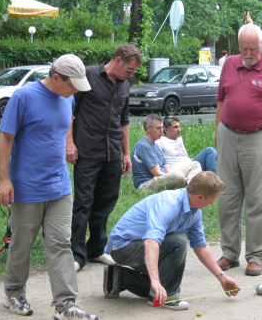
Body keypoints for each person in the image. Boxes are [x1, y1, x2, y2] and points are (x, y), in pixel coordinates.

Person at [0, 54, 99, 320]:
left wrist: (69, 142)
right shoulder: (24, 97)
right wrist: (4, 180)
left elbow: (65, 124)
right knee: (22, 244)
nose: (75, 91)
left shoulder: (68, 98)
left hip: (60, 187)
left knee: (61, 244)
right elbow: (6, 139)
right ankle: (14, 292)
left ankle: (67, 304)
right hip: (27, 187)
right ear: (55, 78)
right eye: (72, 85)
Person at [102, 171, 241, 311]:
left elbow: (201, 247)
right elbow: (151, 242)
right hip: (123, 247)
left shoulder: (195, 212)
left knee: (167, 279)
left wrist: (222, 277)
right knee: (178, 244)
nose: (212, 203)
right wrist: (156, 281)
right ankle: (168, 296)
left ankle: (118, 277)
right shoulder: (168, 204)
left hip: (139, 245)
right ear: (200, 196)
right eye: (212, 200)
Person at [215, 24, 262, 277]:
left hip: (259, 138)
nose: (248, 53)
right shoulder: (229, 64)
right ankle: (229, 252)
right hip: (228, 136)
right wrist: (218, 131)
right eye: (244, 48)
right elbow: (221, 100)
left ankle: (255, 256)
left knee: (257, 199)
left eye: (253, 48)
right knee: (226, 197)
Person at [67, 45, 143, 272]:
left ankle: (96, 249)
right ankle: (76, 254)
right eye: (129, 70)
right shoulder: (88, 76)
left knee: (106, 202)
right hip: (88, 151)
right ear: (118, 60)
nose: (131, 75)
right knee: (83, 203)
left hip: (112, 153)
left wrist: (126, 153)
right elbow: (70, 111)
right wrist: (69, 143)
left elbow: (124, 121)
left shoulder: (125, 85)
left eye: (134, 71)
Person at [131, 114, 199, 191]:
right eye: (158, 128)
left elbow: (167, 168)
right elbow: (157, 173)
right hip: (147, 184)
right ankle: (189, 187)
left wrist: (175, 177)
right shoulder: (143, 145)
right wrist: (177, 178)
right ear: (148, 128)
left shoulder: (156, 145)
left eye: (162, 127)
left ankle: (188, 185)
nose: (162, 131)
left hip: (160, 179)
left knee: (195, 165)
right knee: (178, 176)